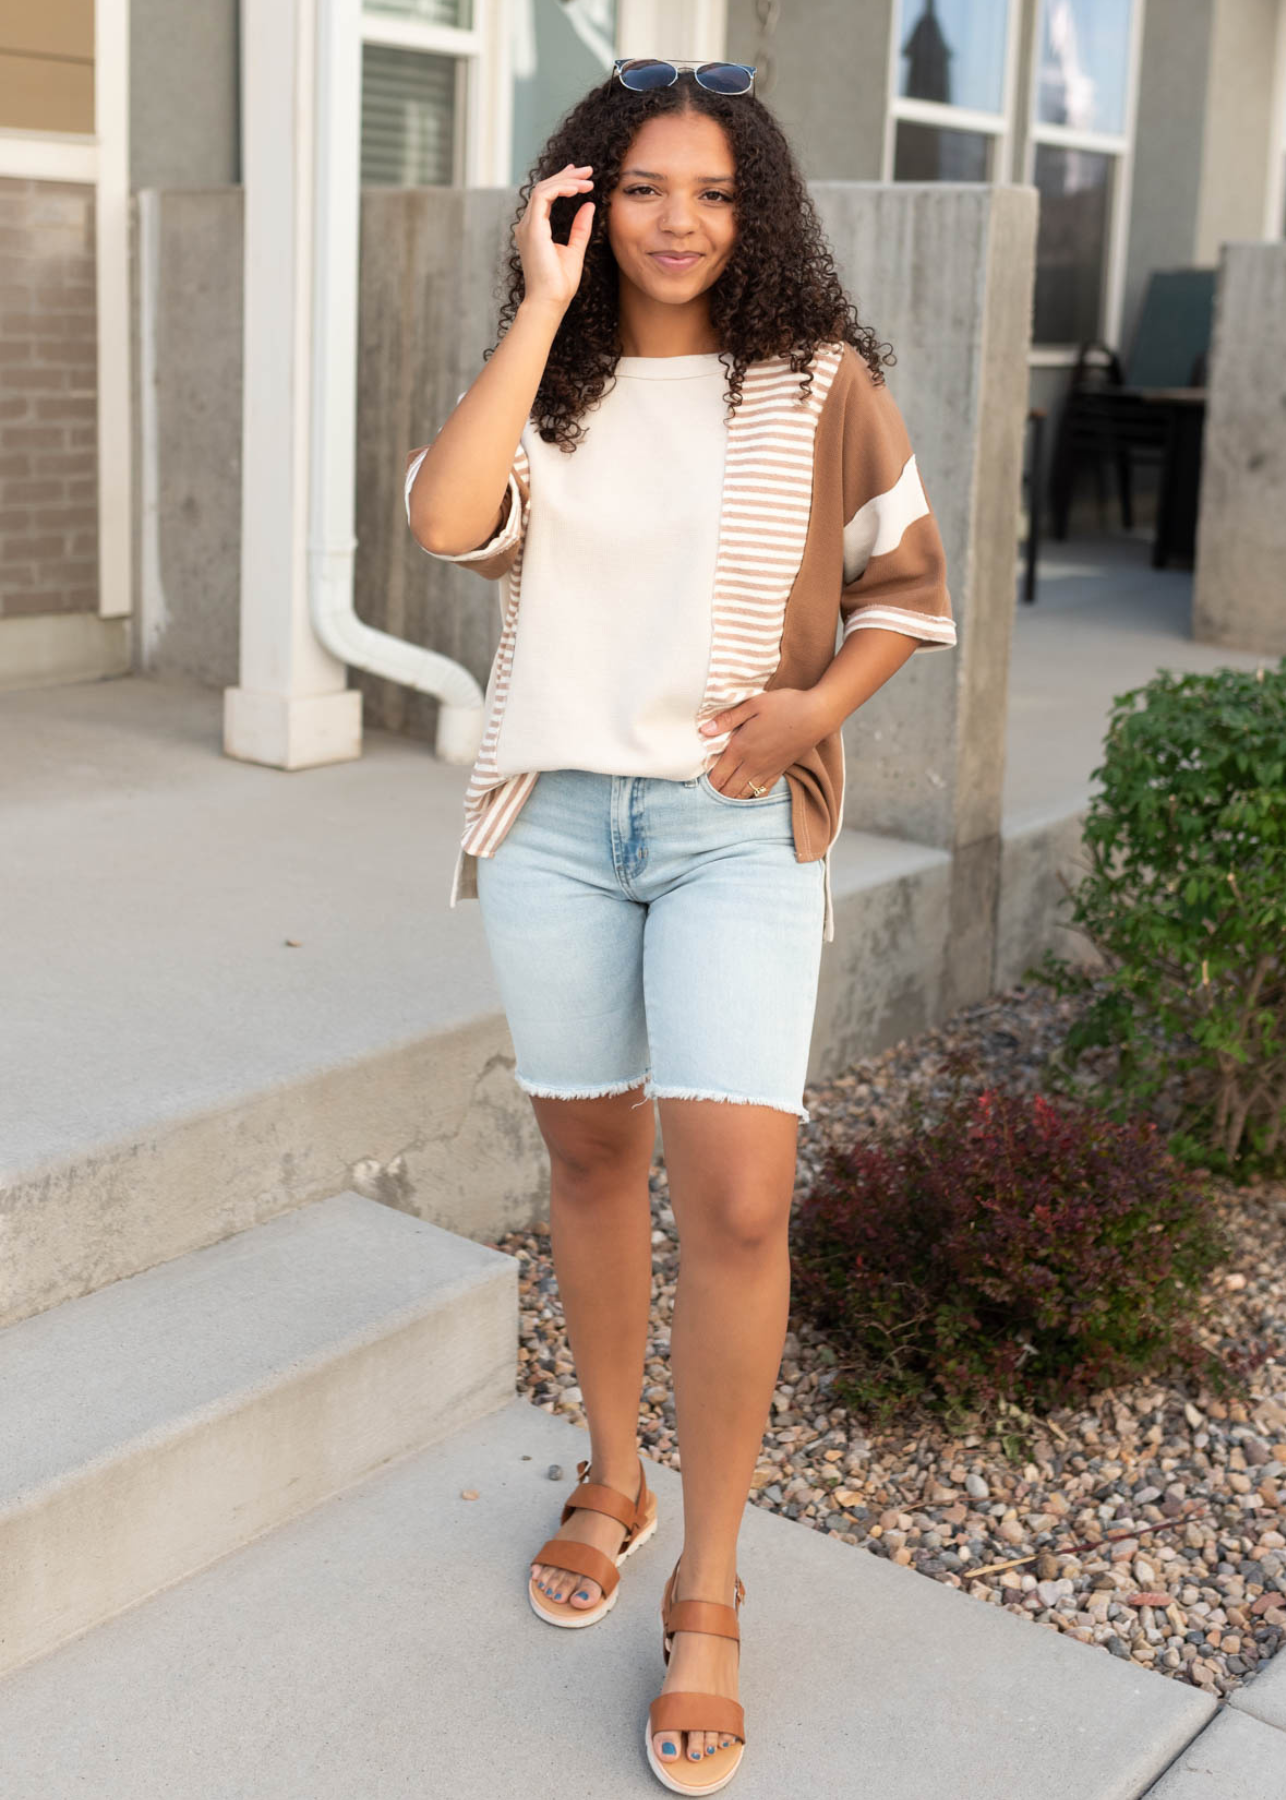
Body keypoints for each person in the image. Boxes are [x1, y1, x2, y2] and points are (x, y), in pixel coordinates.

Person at [405, 56, 955, 1795]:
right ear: (583, 196)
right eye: (641, 187)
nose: (678, 221)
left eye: (714, 192)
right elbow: (441, 518)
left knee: (733, 1196)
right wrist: (537, 302)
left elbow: (908, 588)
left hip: (729, 827)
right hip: (559, 822)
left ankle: (706, 1585)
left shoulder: (816, 385)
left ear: (757, 210)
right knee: (585, 1163)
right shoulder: (546, 388)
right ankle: (612, 1474)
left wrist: (815, 718)